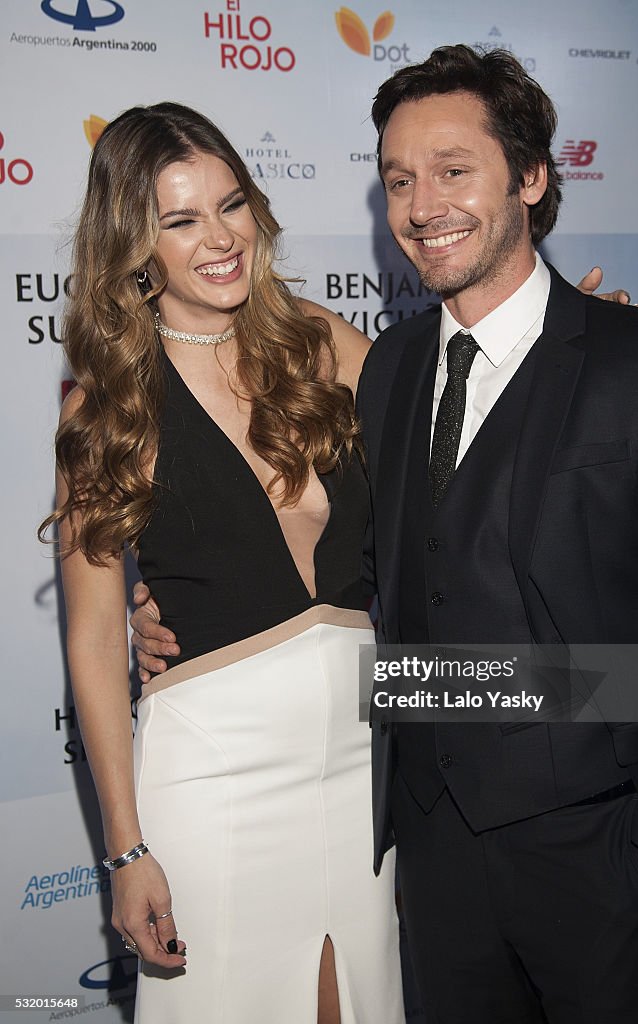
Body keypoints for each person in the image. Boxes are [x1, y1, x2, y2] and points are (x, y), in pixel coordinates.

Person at [127, 63, 638, 1024]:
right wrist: (187, 605)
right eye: (397, 180)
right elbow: (388, 558)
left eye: (453, 171)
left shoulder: (634, 359)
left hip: (577, 837)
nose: (423, 206)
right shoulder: (389, 370)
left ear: (531, 179)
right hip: (418, 832)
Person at [40, 102, 405, 1024]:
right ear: (134, 242)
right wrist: (126, 851)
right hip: (215, 777)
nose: (220, 237)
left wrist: (571, 344)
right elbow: (90, 639)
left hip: (367, 768)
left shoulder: (320, 344)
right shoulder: (107, 409)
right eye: (181, 219)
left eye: (231, 204)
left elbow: (466, 436)